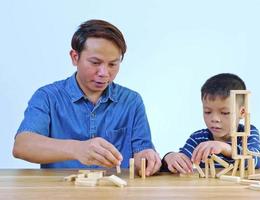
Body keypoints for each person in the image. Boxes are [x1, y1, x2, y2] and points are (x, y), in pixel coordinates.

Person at [12, 19, 161, 176]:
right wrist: (77, 149)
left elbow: (142, 153)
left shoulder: (131, 101)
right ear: (75, 57)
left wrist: (147, 159)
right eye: (95, 62)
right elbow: (22, 145)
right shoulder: (48, 97)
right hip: (60, 192)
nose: (104, 73)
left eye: (112, 64)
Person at [162, 73, 260, 174]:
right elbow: (180, 162)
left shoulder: (248, 132)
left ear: (242, 112)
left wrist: (225, 148)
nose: (214, 119)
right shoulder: (198, 138)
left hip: (239, 189)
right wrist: (169, 157)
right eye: (207, 112)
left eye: (225, 113)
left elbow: (257, 162)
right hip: (208, 189)